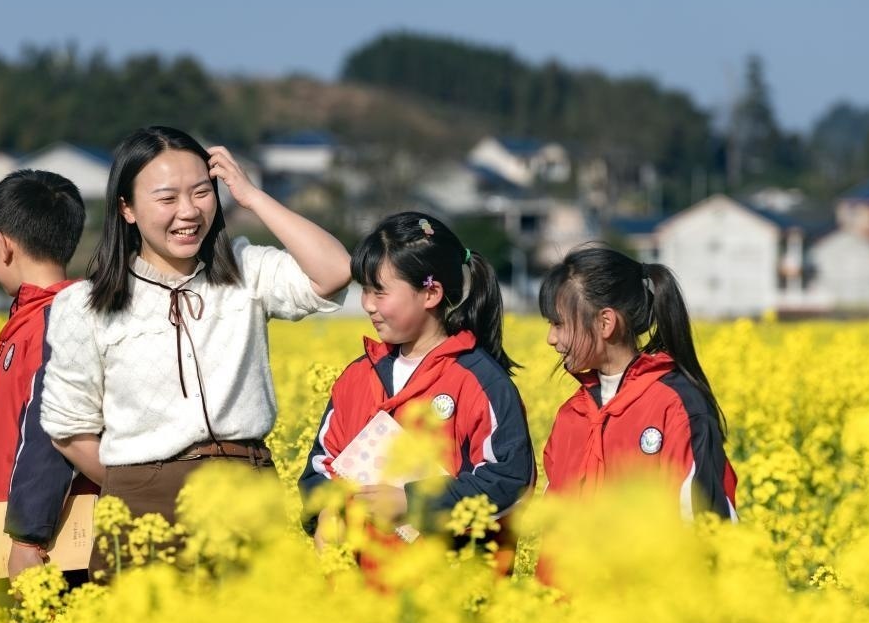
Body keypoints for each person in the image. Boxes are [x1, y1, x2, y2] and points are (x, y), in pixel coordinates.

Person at [40, 124, 350, 532]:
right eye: (167, 198)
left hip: (247, 491)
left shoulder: (245, 270)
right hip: (143, 504)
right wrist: (136, 488)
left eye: (202, 192)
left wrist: (253, 197)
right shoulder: (84, 305)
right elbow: (69, 429)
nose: (188, 211)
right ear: (127, 208)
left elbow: (334, 272)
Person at [299, 212, 535, 567]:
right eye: (365, 290)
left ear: (430, 293)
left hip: (448, 584)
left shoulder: (479, 382)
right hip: (359, 588)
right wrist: (325, 511)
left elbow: (509, 480)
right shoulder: (357, 377)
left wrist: (414, 502)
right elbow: (320, 466)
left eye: (379, 291)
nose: (367, 304)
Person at [0, 169, 96, 580]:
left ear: (3, 245)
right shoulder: (32, 318)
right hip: (0, 549)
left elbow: (52, 432)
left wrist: (27, 537)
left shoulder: (59, 321)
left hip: (33, 556)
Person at [539, 245, 736, 519]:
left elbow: (707, 527)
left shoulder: (677, 407)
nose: (550, 338)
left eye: (559, 324)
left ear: (605, 323)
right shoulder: (571, 416)